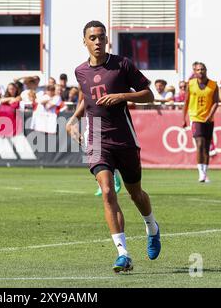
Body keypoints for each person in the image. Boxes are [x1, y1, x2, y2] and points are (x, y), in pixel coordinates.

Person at [66, 21, 160, 273]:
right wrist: (74, 118)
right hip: (97, 140)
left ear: (107, 39)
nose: (97, 41)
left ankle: (151, 226)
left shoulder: (122, 65)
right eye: (92, 37)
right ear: (84, 41)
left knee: (135, 194)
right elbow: (86, 95)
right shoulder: (80, 71)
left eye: (101, 37)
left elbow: (148, 95)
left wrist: (122, 96)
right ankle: (123, 254)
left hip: (124, 139)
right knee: (107, 191)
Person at [182, 62, 219, 183]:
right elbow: (186, 102)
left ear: (206, 70)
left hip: (208, 119)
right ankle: (201, 173)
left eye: (202, 69)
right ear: (195, 71)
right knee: (199, 144)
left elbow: (215, 102)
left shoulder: (213, 85)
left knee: (206, 147)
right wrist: (184, 118)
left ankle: (205, 172)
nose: (200, 71)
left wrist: (210, 115)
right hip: (195, 117)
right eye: (198, 70)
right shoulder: (191, 84)